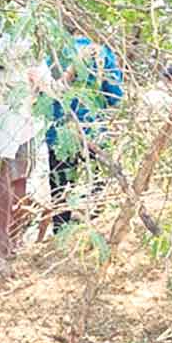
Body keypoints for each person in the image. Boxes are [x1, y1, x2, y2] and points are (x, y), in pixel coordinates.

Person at [0, 7, 43, 256]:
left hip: (9, 100)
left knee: (2, 169)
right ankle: (0, 238)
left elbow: (10, 54)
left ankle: (4, 238)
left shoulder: (24, 12)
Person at [44, 26, 124, 233]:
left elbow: (43, 92)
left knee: (60, 184)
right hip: (93, 129)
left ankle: (60, 231)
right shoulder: (101, 53)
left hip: (59, 131)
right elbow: (115, 96)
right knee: (96, 181)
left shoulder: (52, 52)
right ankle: (93, 228)